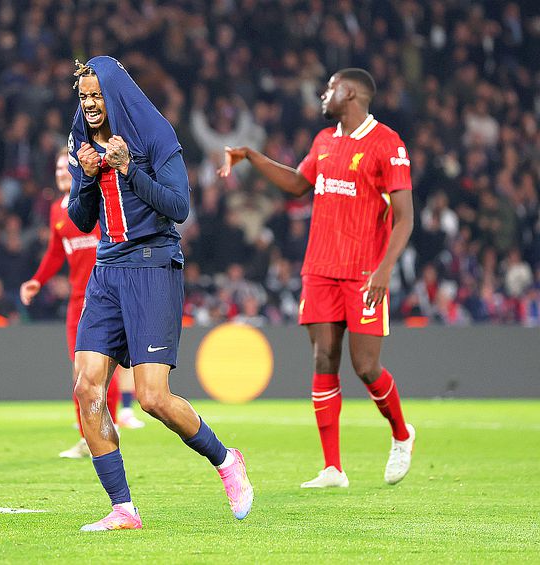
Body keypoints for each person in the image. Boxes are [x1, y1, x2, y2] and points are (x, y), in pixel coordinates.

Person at [67, 57, 253, 531]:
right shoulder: (80, 137)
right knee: (87, 386)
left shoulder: (155, 134)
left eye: (96, 96)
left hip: (152, 265)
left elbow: (179, 207)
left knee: (152, 398)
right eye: (83, 97)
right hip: (107, 268)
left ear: (115, 94)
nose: (89, 105)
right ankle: (123, 508)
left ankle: (226, 460)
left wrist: (128, 168)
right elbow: (81, 220)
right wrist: (88, 177)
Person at [219, 68, 416, 488]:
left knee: (365, 367)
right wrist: (253, 156)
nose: (323, 95)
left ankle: (401, 434)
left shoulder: (388, 144)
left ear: (348, 93)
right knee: (324, 358)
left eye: (329, 89)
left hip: (364, 273)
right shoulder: (324, 142)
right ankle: (332, 468)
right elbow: (296, 183)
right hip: (319, 270)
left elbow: (404, 219)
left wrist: (384, 269)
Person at [19, 150, 124, 459]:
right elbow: (55, 251)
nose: (61, 171)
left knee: (102, 372)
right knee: (78, 374)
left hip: (104, 296)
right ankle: (87, 437)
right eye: (57, 167)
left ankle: (110, 427)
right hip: (77, 301)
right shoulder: (57, 211)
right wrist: (38, 280)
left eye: (67, 166)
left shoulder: (96, 201)